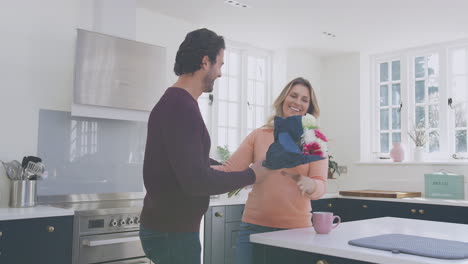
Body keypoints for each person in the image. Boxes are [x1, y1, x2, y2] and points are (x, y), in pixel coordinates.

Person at [139, 28, 271, 264]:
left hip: (169, 229)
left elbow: (185, 161)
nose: (220, 73)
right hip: (172, 234)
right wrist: (251, 175)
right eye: (219, 64)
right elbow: (196, 181)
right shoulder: (181, 107)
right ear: (205, 61)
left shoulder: (176, 102)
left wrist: (227, 168)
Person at [212, 77, 328, 264]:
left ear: (309, 107)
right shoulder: (259, 135)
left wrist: (311, 185)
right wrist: (194, 167)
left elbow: (321, 184)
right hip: (254, 229)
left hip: (297, 232)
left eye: (304, 99)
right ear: (283, 99)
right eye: (293, 95)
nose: (297, 102)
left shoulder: (314, 140)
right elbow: (229, 169)